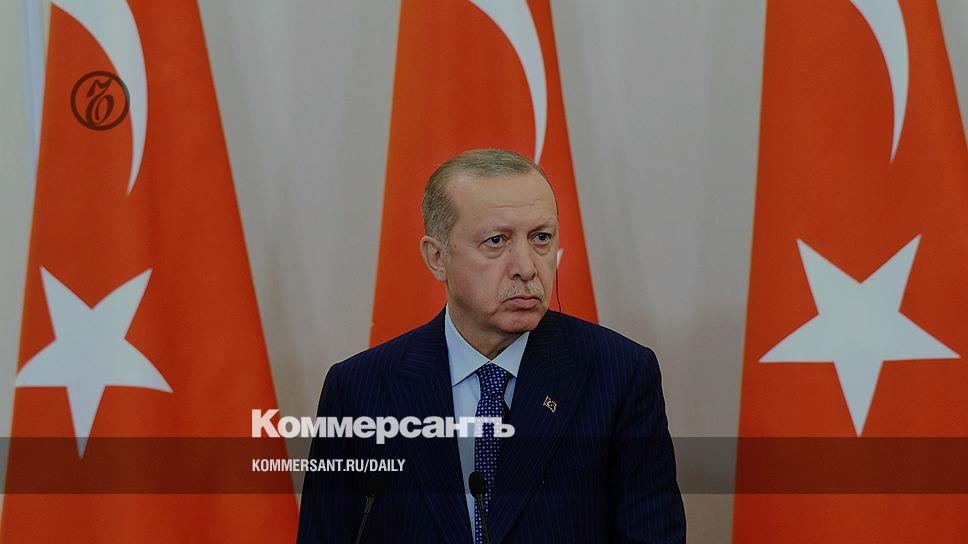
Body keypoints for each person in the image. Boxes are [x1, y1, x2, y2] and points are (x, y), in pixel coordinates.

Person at [297, 149, 685, 543]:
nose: (527, 267)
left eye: (541, 238)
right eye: (496, 241)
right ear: (437, 258)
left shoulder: (619, 375)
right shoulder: (359, 389)